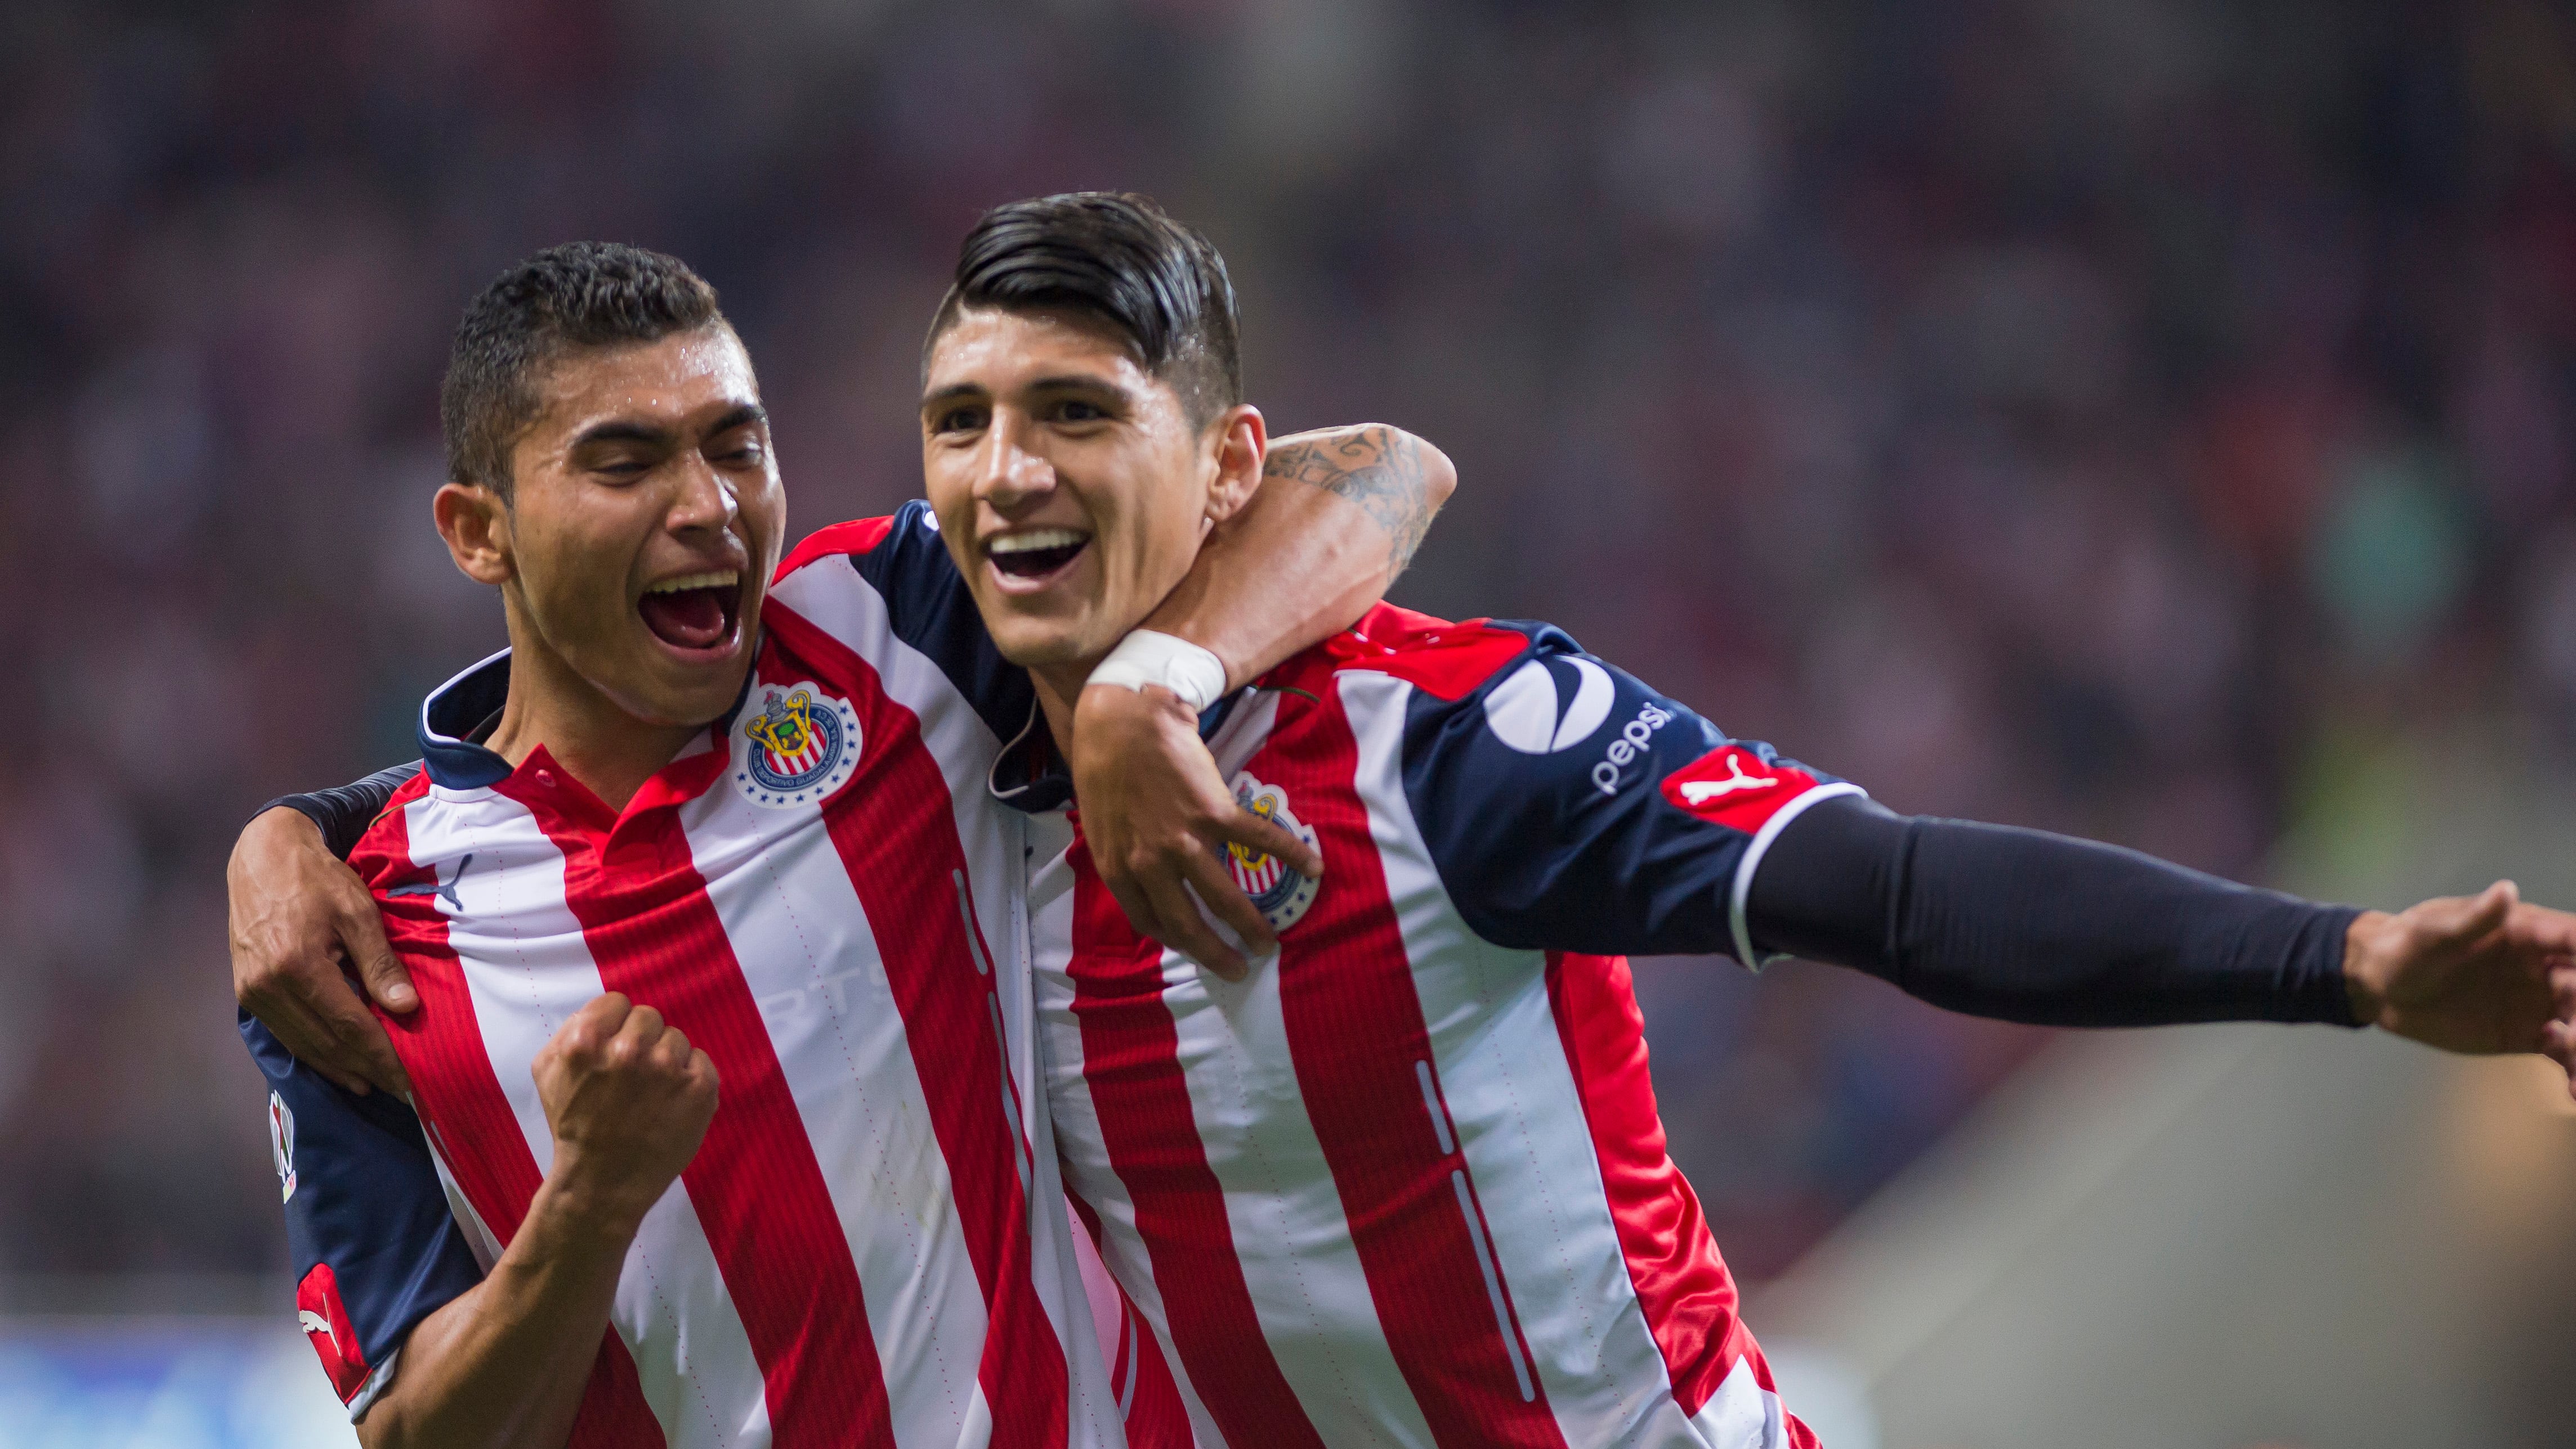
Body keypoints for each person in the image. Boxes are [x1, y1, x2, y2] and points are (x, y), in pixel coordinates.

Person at [243, 196, 2576, 1449]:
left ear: (1218, 459)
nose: (1004, 475)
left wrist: (2343, 962)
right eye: (959, 422)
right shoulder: (871, 734)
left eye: (1075, 412)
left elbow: (1876, 880)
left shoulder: (1414, 740)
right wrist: (290, 829)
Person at [238, 238, 1454, 1447]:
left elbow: (1381, 476)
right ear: (477, 532)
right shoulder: (360, 933)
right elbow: (416, 1436)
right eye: (626, 463)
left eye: (736, 445)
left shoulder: (891, 633)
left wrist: (1150, 686)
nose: (709, 505)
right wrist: (591, 1207)